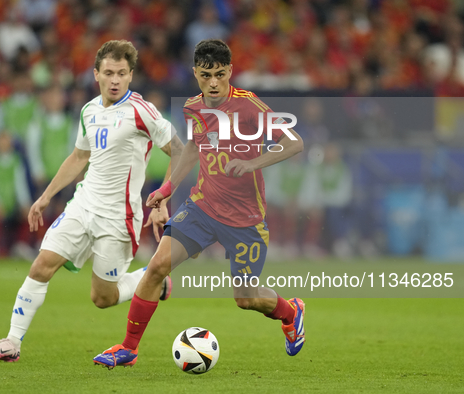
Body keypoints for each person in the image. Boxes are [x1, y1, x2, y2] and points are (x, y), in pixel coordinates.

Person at [93, 39, 305, 369]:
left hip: (244, 218)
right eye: (206, 75)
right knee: (157, 267)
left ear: (230, 71)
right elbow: (193, 146)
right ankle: (128, 348)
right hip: (202, 207)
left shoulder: (249, 107)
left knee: (245, 299)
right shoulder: (193, 107)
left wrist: (253, 163)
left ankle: (291, 311)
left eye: (221, 74)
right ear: (195, 73)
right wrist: (166, 188)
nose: (214, 82)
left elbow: (294, 143)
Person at [0, 40, 179, 362]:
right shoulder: (89, 110)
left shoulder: (142, 111)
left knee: (102, 298)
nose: (115, 80)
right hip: (83, 204)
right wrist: (45, 197)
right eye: (109, 73)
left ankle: (151, 279)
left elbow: (180, 151)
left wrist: (161, 202)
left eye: (122, 74)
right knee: (42, 264)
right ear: (96, 73)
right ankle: (11, 342)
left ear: (131, 76)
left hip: (118, 217)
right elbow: (79, 156)